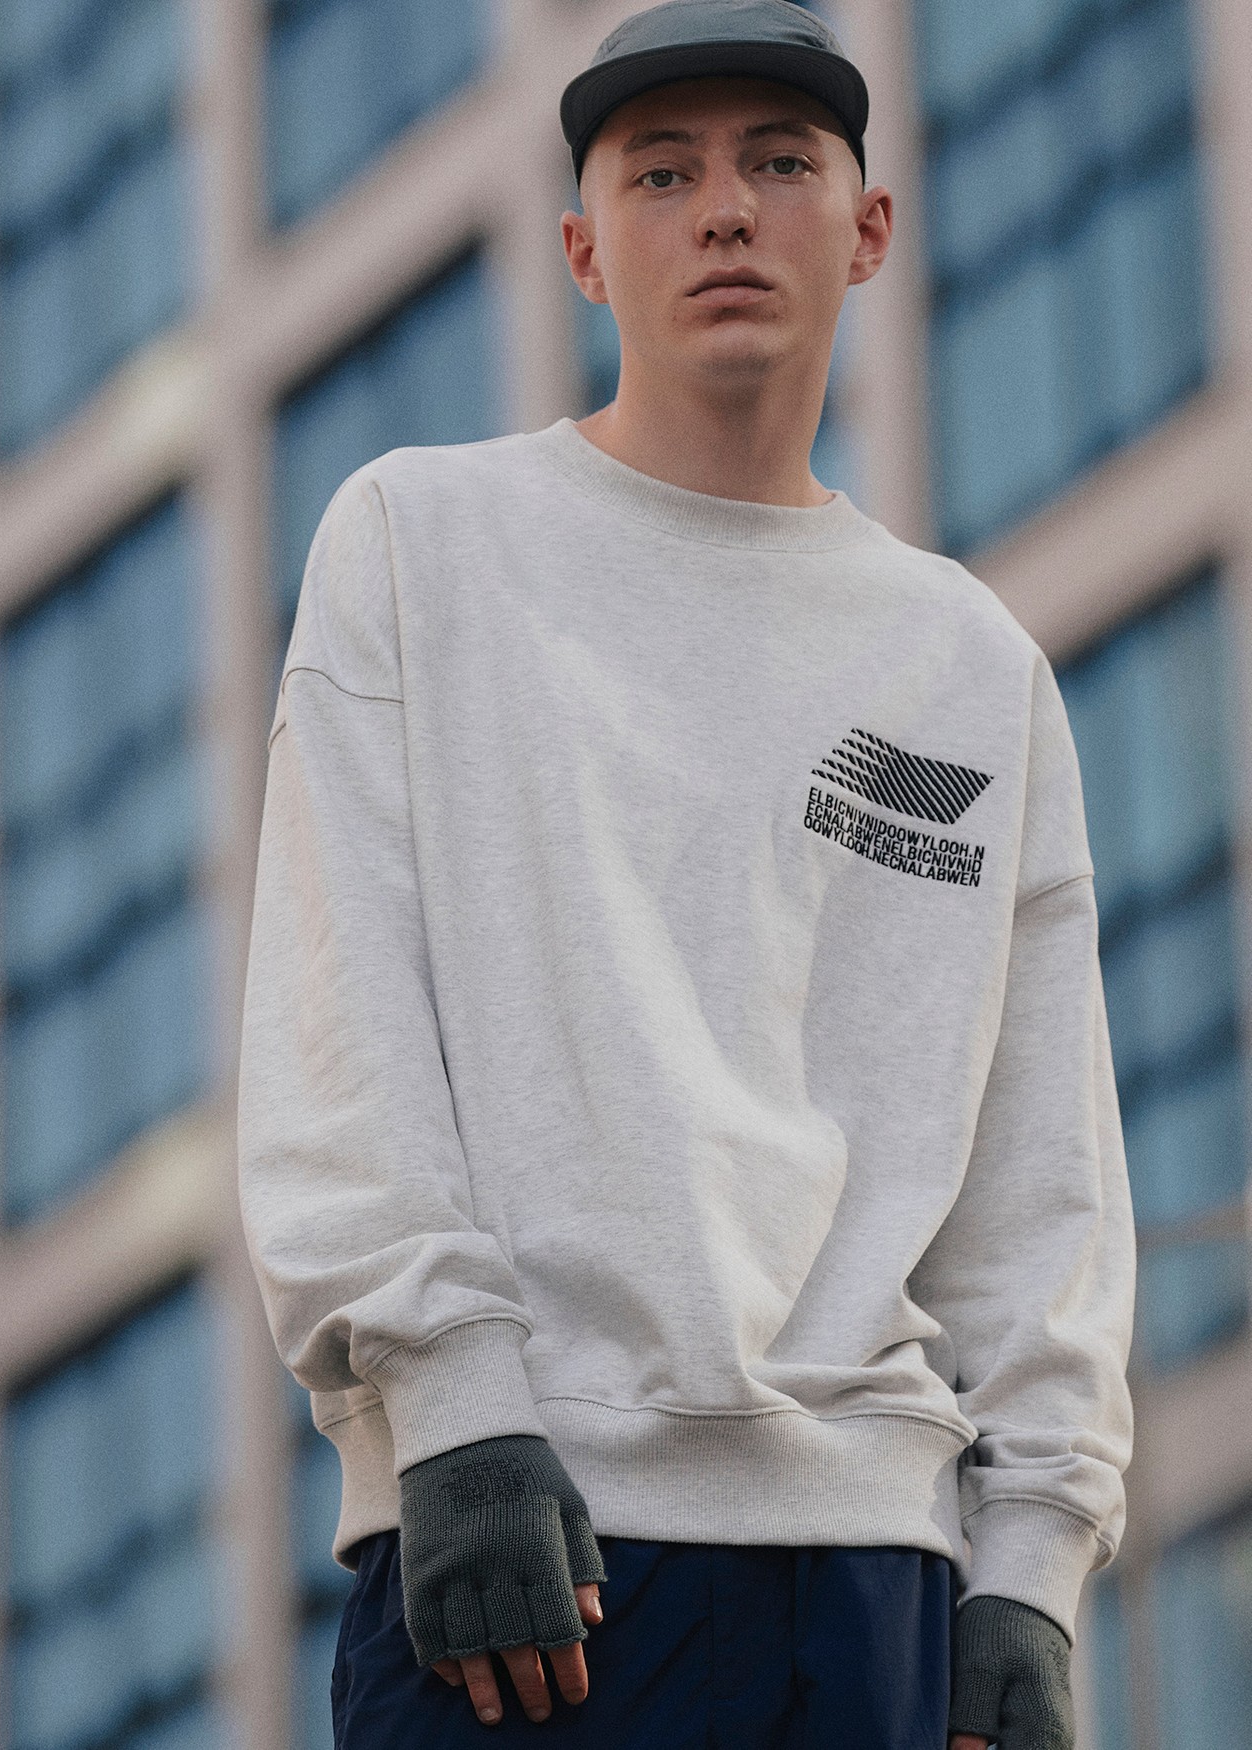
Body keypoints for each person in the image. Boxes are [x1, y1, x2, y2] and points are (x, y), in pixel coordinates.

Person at [236, 2, 1138, 1745]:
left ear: (869, 229)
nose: (724, 209)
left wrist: (1032, 1565)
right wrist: (454, 1408)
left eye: (779, 163)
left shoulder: (971, 668)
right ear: (585, 250)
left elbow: (1045, 1169)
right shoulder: (423, 542)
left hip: (880, 1584)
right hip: (527, 1543)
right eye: (663, 174)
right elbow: (336, 1020)